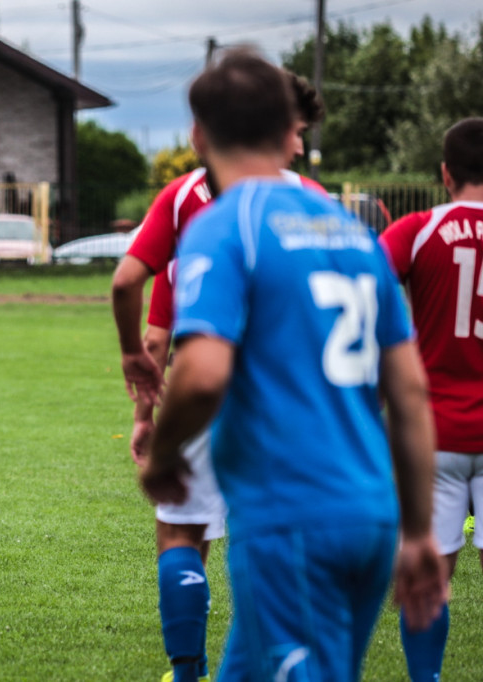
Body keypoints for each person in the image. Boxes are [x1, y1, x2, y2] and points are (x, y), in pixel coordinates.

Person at [141, 47, 447, 681]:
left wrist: (163, 455)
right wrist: (417, 531)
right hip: (370, 511)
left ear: (197, 136)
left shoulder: (227, 224)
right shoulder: (354, 234)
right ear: (290, 134)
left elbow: (200, 376)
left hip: (292, 518)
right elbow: (411, 394)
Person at [110, 71, 325, 682]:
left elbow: (136, 294)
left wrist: (141, 404)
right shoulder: (313, 200)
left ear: (202, 134)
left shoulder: (185, 198)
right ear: (287, 131)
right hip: (291, 397)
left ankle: (186, 671)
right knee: (271, 542)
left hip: (204, 382)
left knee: (182, 528)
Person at [378, 117, 483, 682]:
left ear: (445, 173)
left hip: (431, 436)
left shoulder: (416, 231)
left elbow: (362, 289)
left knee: (428, 577)